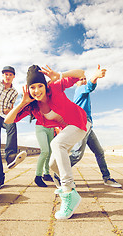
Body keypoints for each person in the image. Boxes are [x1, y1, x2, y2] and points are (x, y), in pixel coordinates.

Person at [5, 64, 89, 220]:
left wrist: (60, 74)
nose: (36, 90)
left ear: (45, 85)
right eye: (32, 87)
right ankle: (66, 185)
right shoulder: (32, 106)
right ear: (28, 89)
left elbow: (81, 73)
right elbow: (8, 119)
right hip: (67, 130)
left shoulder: (55, 88)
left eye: (39, 86)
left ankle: (69, 192)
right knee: (52, 165)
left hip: (80, 123)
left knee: (56, 144)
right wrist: (22, 102)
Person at [70, 65, 122, 188]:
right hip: (82, 125)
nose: (83, 81)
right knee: (77, 155)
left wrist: (95, 78)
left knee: (99, 152)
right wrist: (95, 77)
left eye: (84, 78)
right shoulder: (79, 90)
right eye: (80, 79)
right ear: (76, 83)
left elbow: (90, 86)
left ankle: (107, 178)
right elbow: (89, 86)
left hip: (88, 126)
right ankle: (58, 172)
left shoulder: (83, 93)